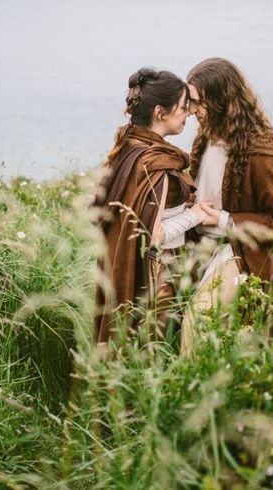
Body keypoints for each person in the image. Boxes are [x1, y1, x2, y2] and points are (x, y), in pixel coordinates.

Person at [181, 57, 273, 354]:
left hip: (243, 255)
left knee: (196, 323)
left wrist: (226, 221)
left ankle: (188, 396)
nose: (190, 111)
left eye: (196, 102)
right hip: (204, 250)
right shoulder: (206, 138)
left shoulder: (259, 153)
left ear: (220, 100)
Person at [92, 67, 217, 346]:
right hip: (157, 275)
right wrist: (194, 215)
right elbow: (152, 235)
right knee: (152, 347)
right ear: (161, 113)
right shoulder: (156, 164)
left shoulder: (129, 146)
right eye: (183, 108)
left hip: (120, 268)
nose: (189, 114)